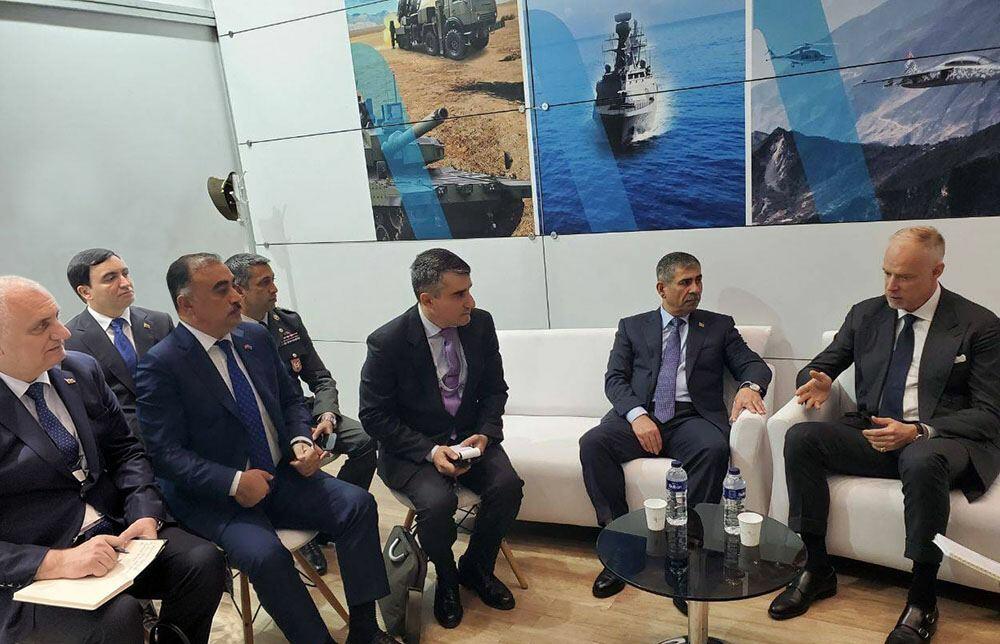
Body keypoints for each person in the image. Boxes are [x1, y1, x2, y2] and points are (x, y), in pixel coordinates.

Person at [135, 254, 398, 644]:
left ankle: (365, 630)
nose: (235, 297)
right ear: (187, 305)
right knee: (267, 556)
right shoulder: (162, 365)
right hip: (217, 498)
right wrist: (234, 482)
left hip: (280, 475)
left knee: (358, 504)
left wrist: (301, 441)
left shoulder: (254, 338)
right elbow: (166, 454)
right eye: (221, 290)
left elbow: (291, 400)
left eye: (234, 285)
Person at [769, 227, 1000, 644]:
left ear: (936, 271)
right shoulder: (866, 314)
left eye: (904, 277)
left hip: (942, 440)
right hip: (876, 432)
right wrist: (815, 380)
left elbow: (989, 414)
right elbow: (819, 367)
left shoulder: (978, 325)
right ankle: (816, 568)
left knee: (920, 457)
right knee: (801, 438)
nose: (891, 286)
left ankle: (922, 597)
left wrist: (919, 431)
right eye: (887, 273)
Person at [0, 276, 225, 644]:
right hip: (33, 563)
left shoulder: (80, 370)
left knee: (202, 562)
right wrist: (53, 561)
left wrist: (144, 511)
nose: (63, 332)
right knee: (117, 618)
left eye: (56, 317)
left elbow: (125, 450)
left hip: (114, 528)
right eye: (42, 326)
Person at [579, 252, 771, 607]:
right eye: (685, 282)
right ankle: (620, 545)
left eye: (698, 280)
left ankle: (686, 556)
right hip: (642, 414)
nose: (695, 289)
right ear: (661, 288)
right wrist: (637, 415)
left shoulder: (718, 326)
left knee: (713, 449)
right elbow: (615, 379)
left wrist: (750, 387)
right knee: (593, 443)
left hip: (691, 417)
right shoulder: (632, 327)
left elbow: (753, 366)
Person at [360, 248, 524, 630]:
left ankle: (476, 568)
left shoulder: (479, 324)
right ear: (428, 300)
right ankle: (447, 578)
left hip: (469, 440)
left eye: (469, 290)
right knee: (437, 505)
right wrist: (430, 451)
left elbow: (494, 390)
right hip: (413, 449)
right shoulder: (388, 342)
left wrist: (486, 434)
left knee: (508, 487)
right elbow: (373, 416)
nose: (471, 302)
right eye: (459, 294)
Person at [225, 253, 377, 575]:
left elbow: (320, 378)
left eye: (273, 280)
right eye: (264, 283)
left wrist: (327, 414)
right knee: (291, 459)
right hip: (272, 423)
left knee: (364, 441)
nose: (274, 289)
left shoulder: (287, 323)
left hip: (305, 413)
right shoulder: (230, 334)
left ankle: (326, 525)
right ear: (239, 289)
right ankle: (306, 521)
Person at [63, 249, 174, 438]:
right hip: (122, 444)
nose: (125, 283)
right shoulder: (70, 340)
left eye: (125, 273)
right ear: (85, 291)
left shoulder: (159, 322)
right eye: (110, 278)